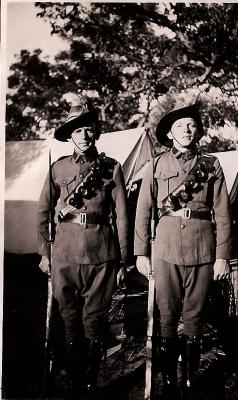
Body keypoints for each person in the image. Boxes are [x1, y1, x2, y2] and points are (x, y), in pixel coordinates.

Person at [134, 101, 232, 397]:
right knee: (166, 316)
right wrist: (141, 252)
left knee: (194, 316)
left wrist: (222, 256)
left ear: (198, 130)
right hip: (165, 250)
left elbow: (224, 213)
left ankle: (189, 382)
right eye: (180, 126)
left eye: (191, 125)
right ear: (169, 133)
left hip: (203, 250)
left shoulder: (211, 165)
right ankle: (169, 383)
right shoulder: (155, 164)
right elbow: (143, 210)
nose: (186, 130)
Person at [37, 95, 128, 396]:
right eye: (77, 130)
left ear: (96, 132)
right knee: (69, 318)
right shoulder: (58, 169)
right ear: (70, 136)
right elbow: (42, 211)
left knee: (95, 319)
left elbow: (122, 216)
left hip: (102, 253)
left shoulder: (111, 168)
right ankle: (73, 381)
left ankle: (88, 382)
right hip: (64, 253)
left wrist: (123, 260)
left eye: (89, 129)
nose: (84, 135)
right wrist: (43, 252)